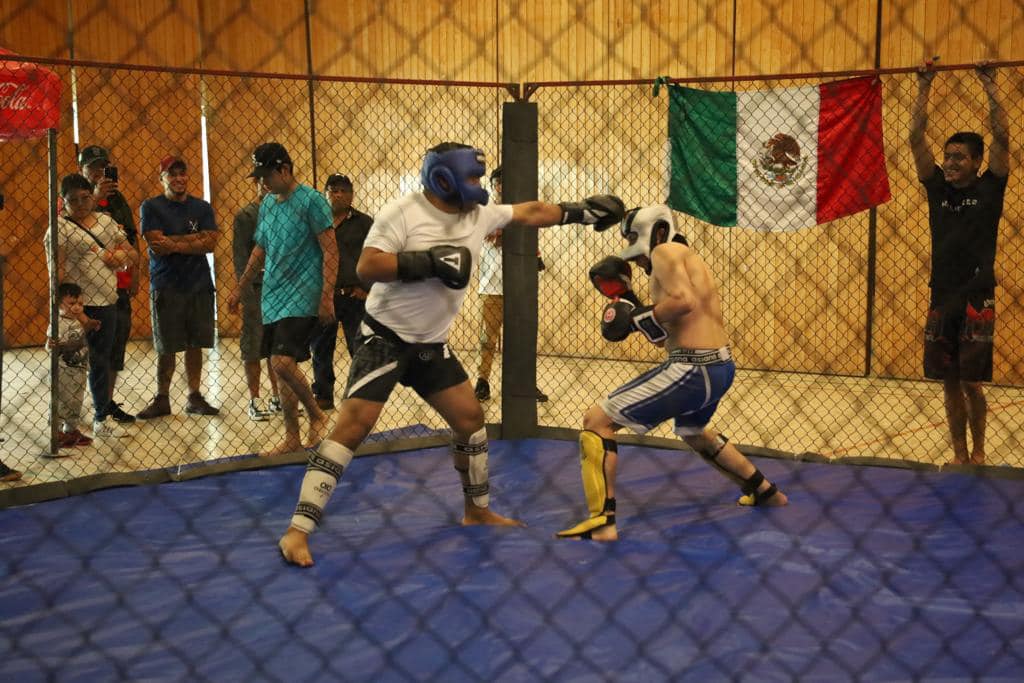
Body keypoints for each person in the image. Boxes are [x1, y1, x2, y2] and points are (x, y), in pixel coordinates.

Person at [277, 141, 625, 567]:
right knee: (354, 425)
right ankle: (297, 532)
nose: (479, 186)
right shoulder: (402, 212)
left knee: (469, 420)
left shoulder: (479, 215)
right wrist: (424, 262)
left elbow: (531, 212)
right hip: (384, 338)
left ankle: (475, 511)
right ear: (444, 177)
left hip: (430, 344)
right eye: (474, 177)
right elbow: (367, 267)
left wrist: (582, 211)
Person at [556, 205, 788, 542]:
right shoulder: (682, 260)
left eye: (638, 251)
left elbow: (684, 301)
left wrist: (633, 318)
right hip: (718, 366)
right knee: (693, 431)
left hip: (694, 367)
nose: (636, 261)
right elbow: (665, 335)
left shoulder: (665, 252)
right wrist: (632, 304)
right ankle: (766, 492)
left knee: (596, 420)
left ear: (659, 232)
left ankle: (601, 523)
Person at [909, 61, 1009, 466]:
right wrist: (923, 86)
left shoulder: (990, 188)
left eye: (959, 158)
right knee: (948, 383)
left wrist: (990, 85)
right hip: (942, 296)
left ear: (976, 161)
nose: (950, 163)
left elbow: (1003, 136)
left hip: (977, 298)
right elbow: (915, 137)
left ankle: (980, 452)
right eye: (947, 156)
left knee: (971, 382)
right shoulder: (938, 190)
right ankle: (959, 455)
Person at [228, 142, 337, 457]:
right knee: (280, 371)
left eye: (266, 176)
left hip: (304, 293)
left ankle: (316, 413)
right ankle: (292, 437)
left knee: (282, 362)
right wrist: (240, 286)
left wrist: (326, 295)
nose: (262, 184)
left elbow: (331, 249)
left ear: (284, 170)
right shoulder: (268, 205)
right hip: (273, 296)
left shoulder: (312, 201)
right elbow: (260, 248)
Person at [46, 173, 135, 438]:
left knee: (101, 361)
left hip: (106, 301)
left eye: (85, 197)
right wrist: (59, 307)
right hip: (77, 308)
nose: (81, 204)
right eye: (73, 200)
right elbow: (57, 272)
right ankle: (66, 424)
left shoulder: (106, 222)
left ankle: (100, 417)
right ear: (63, 201)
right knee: (71, 365)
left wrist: (117, 256)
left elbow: (131, 253)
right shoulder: (60, 228)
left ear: (92, 196)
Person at [137, 156, 221, 419]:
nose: (178, 179)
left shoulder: (202, 207)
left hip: (199, 284)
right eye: (171, 175)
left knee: (196, 342)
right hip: (167, 284)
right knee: (168, 345)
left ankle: (194, 396)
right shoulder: (151, 206)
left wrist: (173, 244)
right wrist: (193, 241)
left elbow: (210, 243)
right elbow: (155, 243)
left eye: (182, 173)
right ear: (161, 179)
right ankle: (162, 397)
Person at [473, 166, 548, 403]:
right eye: (499, 183)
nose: (503, 188)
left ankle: (525, 385)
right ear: (494, 186)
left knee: (523, 338)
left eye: (507, 183)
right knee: (488, 338)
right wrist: (513, 233)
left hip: (519, 286)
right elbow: (493, 238)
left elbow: (524, 240)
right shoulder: (485, 210)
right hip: (491, 285)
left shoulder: (523, 211)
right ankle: (482, 382)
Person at [78, 145, 139, 424]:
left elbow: (130, 236)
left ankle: (106, 401)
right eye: (92, 167)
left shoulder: (117, 199)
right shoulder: (73, 197)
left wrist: (135, 274)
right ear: (82, 171)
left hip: (118, 284)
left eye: (103, 167)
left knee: (115, 344)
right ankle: (85, 410)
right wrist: (94, 197)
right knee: (87, 351)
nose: (98, 172)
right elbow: (70, 228)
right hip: (86, 288)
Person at [308, 173, 374, 410]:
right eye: (332, 189)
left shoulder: (364, 223)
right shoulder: (314, 222)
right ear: (324, 193)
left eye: (342, 190)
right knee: (320, 349)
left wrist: (367, 289)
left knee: (358, 348)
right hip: (324, 295)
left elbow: (375, 256)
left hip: (353, 296)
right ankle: (323, 395)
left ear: (351, 195)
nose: (336, 194)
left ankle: (358, 396)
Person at [232, 177, 279, 421]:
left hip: (281, 287)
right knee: (253, 344)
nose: (267, 184)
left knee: (278, 344)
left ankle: (277, 396)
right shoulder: (246, 216)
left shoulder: (285, 212)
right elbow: (241, 259)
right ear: (257, 184)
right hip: (257, 287)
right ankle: (254, 398)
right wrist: (244, 291)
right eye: (262, 180)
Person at [46, 282, 95, 449]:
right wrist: (51, 345)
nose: (77, 307)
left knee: (76, 401)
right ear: (59, 303)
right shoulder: (58, 322)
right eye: (71, 303)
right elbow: (49, 344)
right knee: (62, 401)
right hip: (63, 370)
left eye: (80, 304)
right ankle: (56, 432)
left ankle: (71, 430)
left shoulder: (79, 320)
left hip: (79, 368)